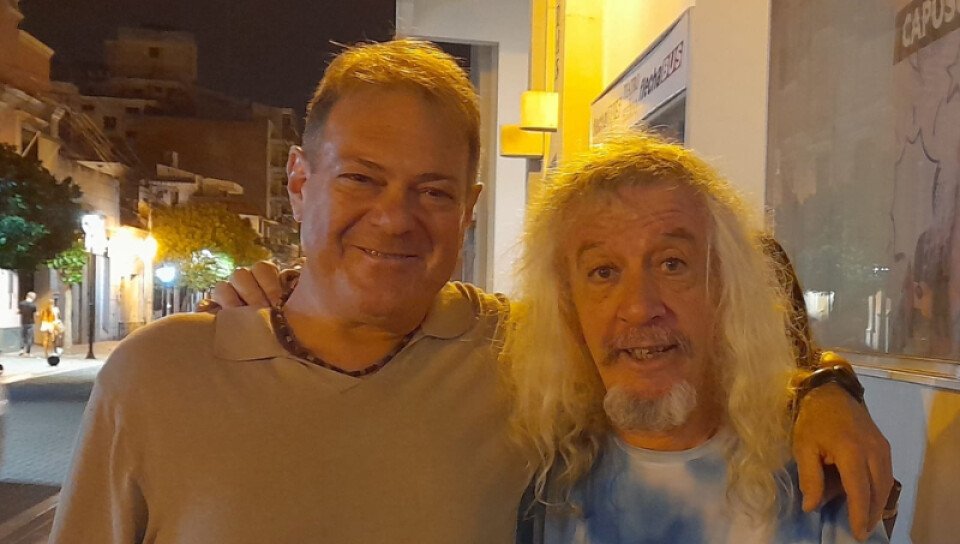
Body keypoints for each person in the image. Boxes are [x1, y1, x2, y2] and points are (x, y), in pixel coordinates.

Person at [52, 40, 890, 543]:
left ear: (470, 210)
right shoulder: (158, 377)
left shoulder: (522, 358)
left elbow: (673, 359)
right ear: (299, 181)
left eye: (433, 190)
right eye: (361, 179)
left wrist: (825, 386)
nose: (395, 218)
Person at [503, 133, 888, 543]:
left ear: (727, 289)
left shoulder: (814, 483)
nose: (639, 307)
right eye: (604, 272)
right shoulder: (542, 486)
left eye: (672, 264)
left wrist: (829, 386)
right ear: (567, 307)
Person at [17, 291, 36, 356]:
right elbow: (35, 313)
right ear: (33, 297)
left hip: (23, 322)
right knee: (29, 338)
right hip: (31, 323)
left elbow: (18, 311)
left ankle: (21, 350)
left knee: (22, 336)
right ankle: (28, 352)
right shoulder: (33, 305)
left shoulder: (21, 303)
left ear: (27, 296)